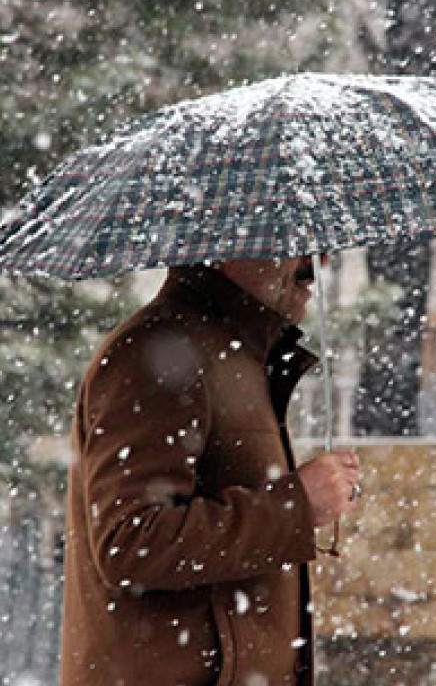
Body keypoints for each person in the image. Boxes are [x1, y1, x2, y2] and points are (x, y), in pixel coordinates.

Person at [60, 257, 363, 686]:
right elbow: (129, 542)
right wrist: (296, 505)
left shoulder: (229, 352)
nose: (316, 265)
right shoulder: (159, 353)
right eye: (292, 245)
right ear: (230, 246)